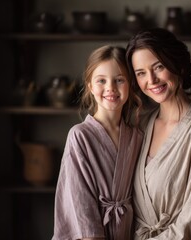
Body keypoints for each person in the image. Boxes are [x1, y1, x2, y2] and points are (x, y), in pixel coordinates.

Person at [125, 28, 191, 239]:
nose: (151, 80)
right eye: (141, 73)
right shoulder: (141, 125)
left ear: (178, 65)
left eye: (158, 67)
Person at [52, 45, 143, 240]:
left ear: (131, 85)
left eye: (119, 80)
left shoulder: (136, 136)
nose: (110, 88)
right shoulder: (80, 136)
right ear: (90, 86)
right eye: (101, 80)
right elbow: (80, 202)